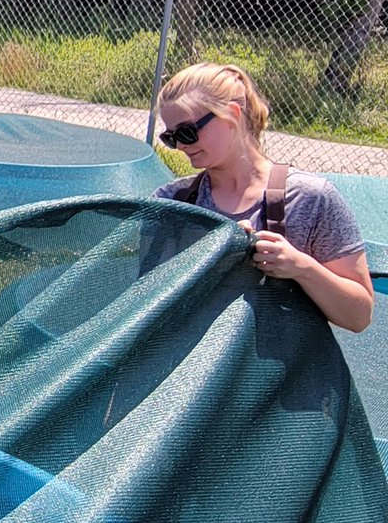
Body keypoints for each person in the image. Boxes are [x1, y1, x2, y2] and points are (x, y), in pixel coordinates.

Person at [153, 62, 373, 332]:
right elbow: (147, 301)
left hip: (279, 372)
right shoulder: (173, 201)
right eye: (171, 137)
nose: (181, 146)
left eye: (188, 132)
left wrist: (300, 267)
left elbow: (359, 316)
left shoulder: (311, 199)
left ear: (232, 115)